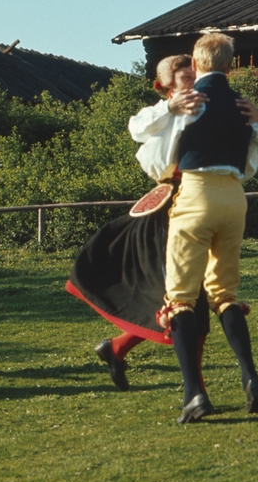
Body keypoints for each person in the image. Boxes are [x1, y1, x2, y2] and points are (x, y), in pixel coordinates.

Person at [65, 55, 216, 389]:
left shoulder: (209, 103)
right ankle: (197, 388)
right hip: (171, 205)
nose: (194, 83)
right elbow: (136, 128)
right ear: (163, 87)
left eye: (196, 76)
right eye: (186, 78)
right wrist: (171, 109)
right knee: (187, 297)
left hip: (203, 197)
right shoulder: (156, 116)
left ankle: (117, 348)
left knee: (192, 293)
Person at [161, 31, 258, 423]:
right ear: (232, 66)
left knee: (180, 298)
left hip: (196, 193)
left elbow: (144, 134)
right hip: (235, 198)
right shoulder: (246, 106)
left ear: (195, 65)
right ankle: (252, 378)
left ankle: (194, 394)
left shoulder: (190, 101)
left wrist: (170, 108)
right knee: (224, 292)